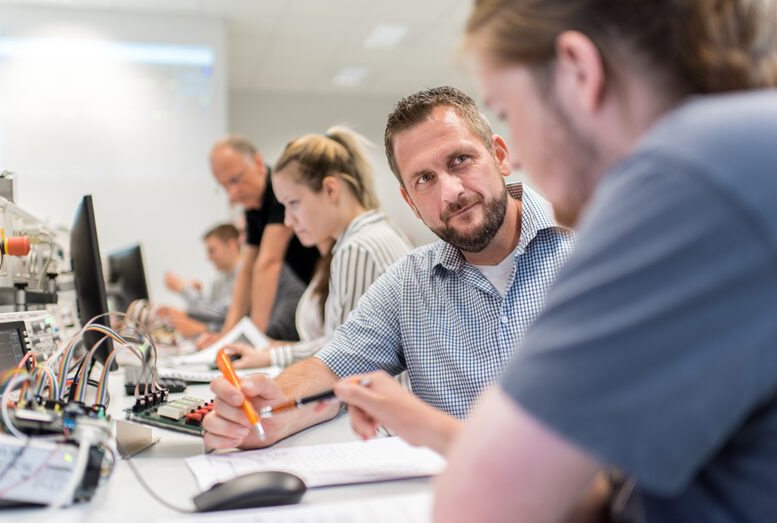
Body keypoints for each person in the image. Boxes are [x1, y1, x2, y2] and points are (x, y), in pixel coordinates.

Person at [428, 1, 777, 522]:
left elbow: (478, 509)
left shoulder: (687, 169)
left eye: (506, 111)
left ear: (578, 71)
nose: (516, 158)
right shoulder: (744, 150)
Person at [202, 86, 575, 450]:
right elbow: (332, 365)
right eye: (424, 179)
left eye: (460, 160)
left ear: (499, 155)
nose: (451, 192)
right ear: (410, 202)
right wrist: (273, 407)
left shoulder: (593, 247)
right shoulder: (408, 283)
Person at [222, 126, 413, 369]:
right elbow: (341, 342)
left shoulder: (358, 248)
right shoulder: (368, 235)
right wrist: (275, 354)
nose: (289, 221)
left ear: (331, 190)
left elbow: (346, 361)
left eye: (293, 203)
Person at [201, 135, 320, 345]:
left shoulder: (279, 191)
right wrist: (226, 338)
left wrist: (252, 340)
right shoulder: (253, 208)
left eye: (235, 180)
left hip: (323, 284)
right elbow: (246, 271)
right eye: (224, 186)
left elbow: (268, 264)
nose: (232, 193)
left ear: (257, 163)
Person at [158, 223, 242, 338]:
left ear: (231, 245)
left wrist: (184, 289)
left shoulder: (245, 276)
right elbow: (212, 315)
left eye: (212, 251)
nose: (209, 258)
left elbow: (223, 313)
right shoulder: (219, 280)